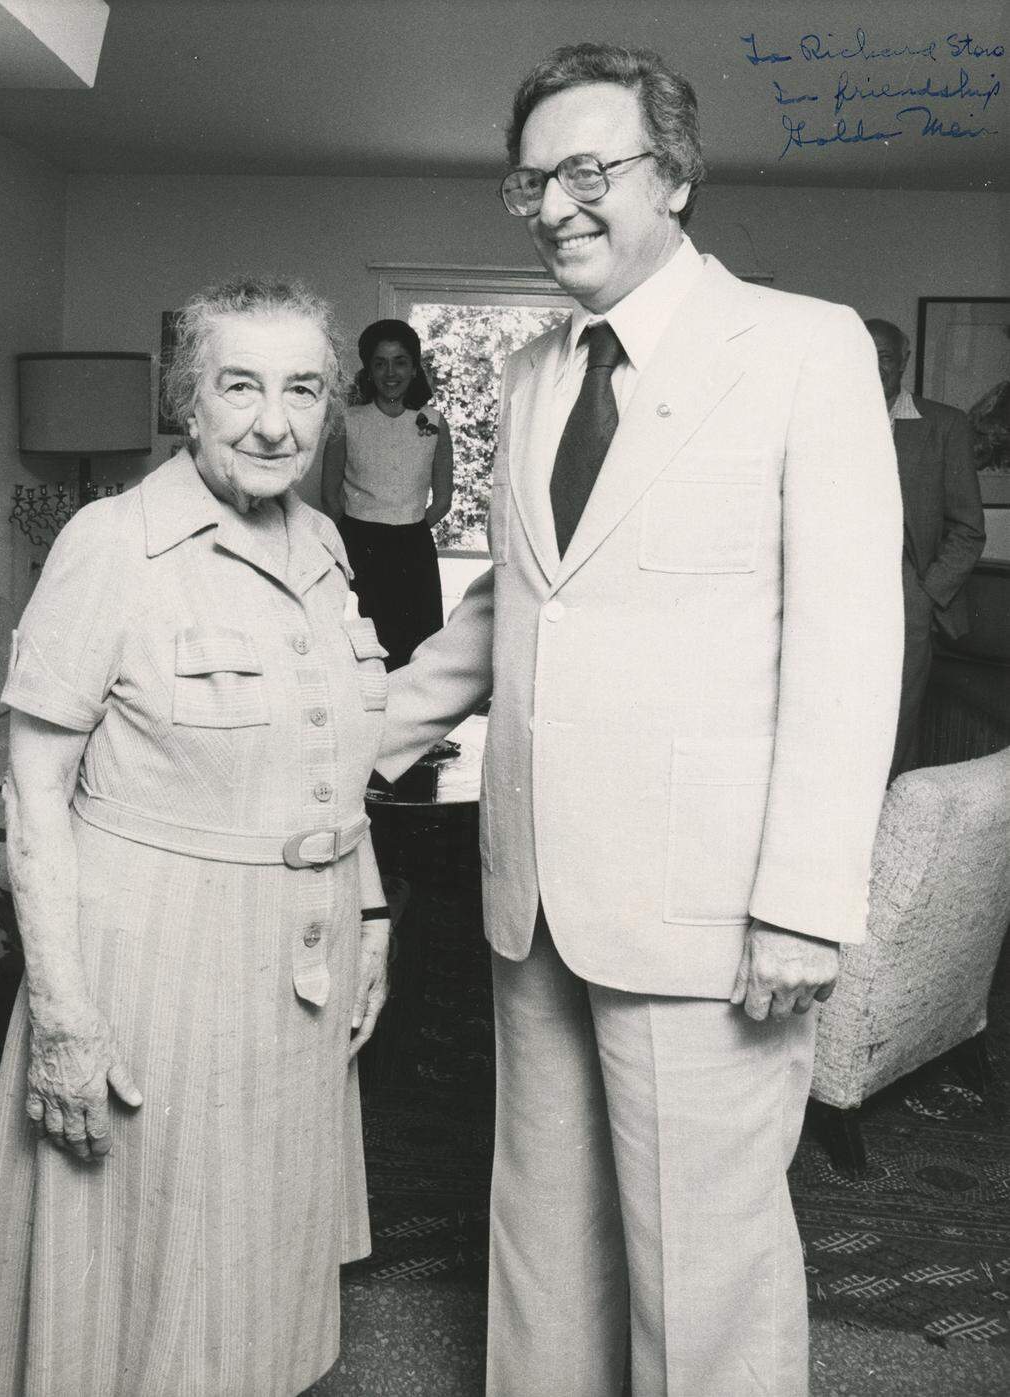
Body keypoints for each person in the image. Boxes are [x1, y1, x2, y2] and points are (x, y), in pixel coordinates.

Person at [375, 43, 904, 1397]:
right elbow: (517, 609)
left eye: (589, 171)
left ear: (675, 175)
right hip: (533, 890)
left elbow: (851, 648)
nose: (555, 205)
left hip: (709, 910)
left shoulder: (803, 349)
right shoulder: (539, 370)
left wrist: (801, 902)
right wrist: (357, 739)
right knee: (541, 1245)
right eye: (532, 180)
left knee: (704, 1270)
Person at [0, 276, 391, 1397]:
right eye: (239, 386)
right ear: (187, 403)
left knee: (263, 1256)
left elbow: (328, 751)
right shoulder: (112, 543)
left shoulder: (328, 542)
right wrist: (62, 1016)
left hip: (301, 955)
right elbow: (34, 790)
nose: (273, 420)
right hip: (154, 959)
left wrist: (372, 908)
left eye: (302, 388)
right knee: (142, 1272)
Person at [864, 319, 986, 780]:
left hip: (908, 594)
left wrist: (926, 595)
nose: (874, 367)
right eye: (864, 355)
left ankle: (888, 837)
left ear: (905, 361)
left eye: (885, 357)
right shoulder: (826, 419)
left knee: (895, 720)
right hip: (836, 597)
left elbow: (969, 529)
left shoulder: (943, 425)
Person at [321, 318, 453, 669]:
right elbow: (330, 495)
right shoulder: (346, 420)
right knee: (358, 647)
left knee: (413, 651)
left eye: (400, 362)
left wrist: (406, 527)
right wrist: (355, 533)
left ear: (414, 369)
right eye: (380, 363)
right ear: (369, 369)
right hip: (359, 547)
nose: (390, 372)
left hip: (413, 549)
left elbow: (442, 499)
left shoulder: (434, 422)